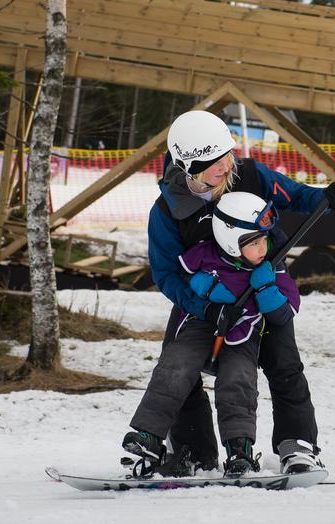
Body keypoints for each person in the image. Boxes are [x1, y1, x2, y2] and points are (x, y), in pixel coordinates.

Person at [146, 110, 335, 476]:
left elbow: (295, 195)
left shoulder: (250, 176)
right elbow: (166, 274)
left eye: (227, 154)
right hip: (204, 296)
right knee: (177, 364)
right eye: (214, 162)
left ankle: (298, 445)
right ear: (189, 166)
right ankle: (193, 451)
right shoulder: (168, 210)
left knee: (284, 361)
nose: (226, 166)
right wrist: (205, 308)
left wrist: (329, 199)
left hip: (264, 287)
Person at [123, 191, 301, 477]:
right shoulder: (204, 254)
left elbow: (284, 314)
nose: (263, 248)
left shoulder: (271, 268)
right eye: (253, 242)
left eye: (264, 240)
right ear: (231, 242)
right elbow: (181, 273)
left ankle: (239, 450)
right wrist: (204, 287)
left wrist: (267, 289)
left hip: (242, 335)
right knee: (174, 367)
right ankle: (149, 437)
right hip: (200, 325)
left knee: (238, 381)